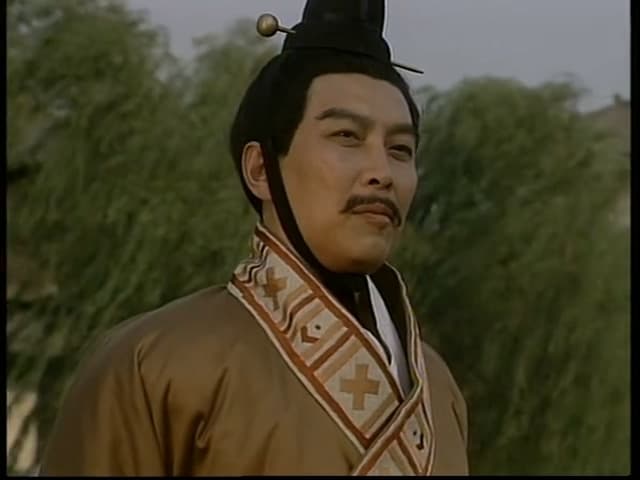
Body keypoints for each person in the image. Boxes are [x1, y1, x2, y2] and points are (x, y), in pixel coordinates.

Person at [40, 0, 469, 475]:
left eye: (400, 149)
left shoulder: (437, 388)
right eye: (347, 136)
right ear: (261, 169)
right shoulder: (152, 364)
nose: (382, 172)